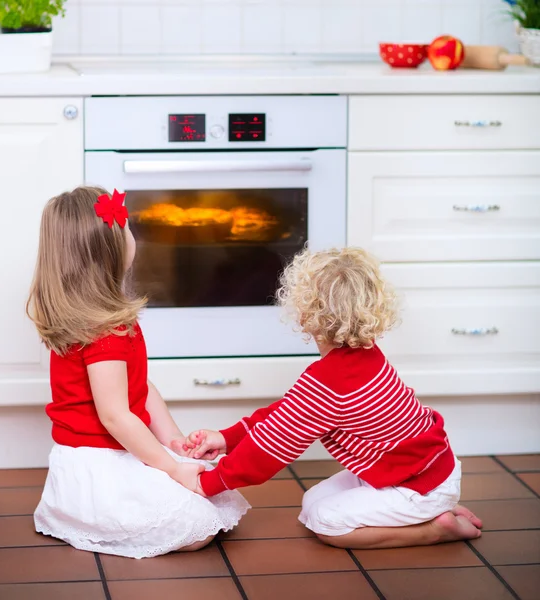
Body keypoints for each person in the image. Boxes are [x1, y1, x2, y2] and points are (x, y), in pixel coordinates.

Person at [186, 247, 482, 550]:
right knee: (312, 501)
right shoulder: (363, 354)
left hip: (415, 484)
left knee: (325, 522)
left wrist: (208, 483)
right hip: (427, 469)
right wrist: (226, 438)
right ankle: (429, 509)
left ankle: (434, 529)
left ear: (305, 314)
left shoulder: (330, 383)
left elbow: (268, 450)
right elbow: (285, 415)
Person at [26, 186, 249, 559]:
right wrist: (171, 468)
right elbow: (115, 416)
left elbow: (140, 386)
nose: (135, 236)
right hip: (99, 464)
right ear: (111, 250)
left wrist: (173, 440)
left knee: (210, 494)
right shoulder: (104, 332)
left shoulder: (104, 319)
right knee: (196, 526)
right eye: (128, 229)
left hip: (114, 451)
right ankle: (86, 517)